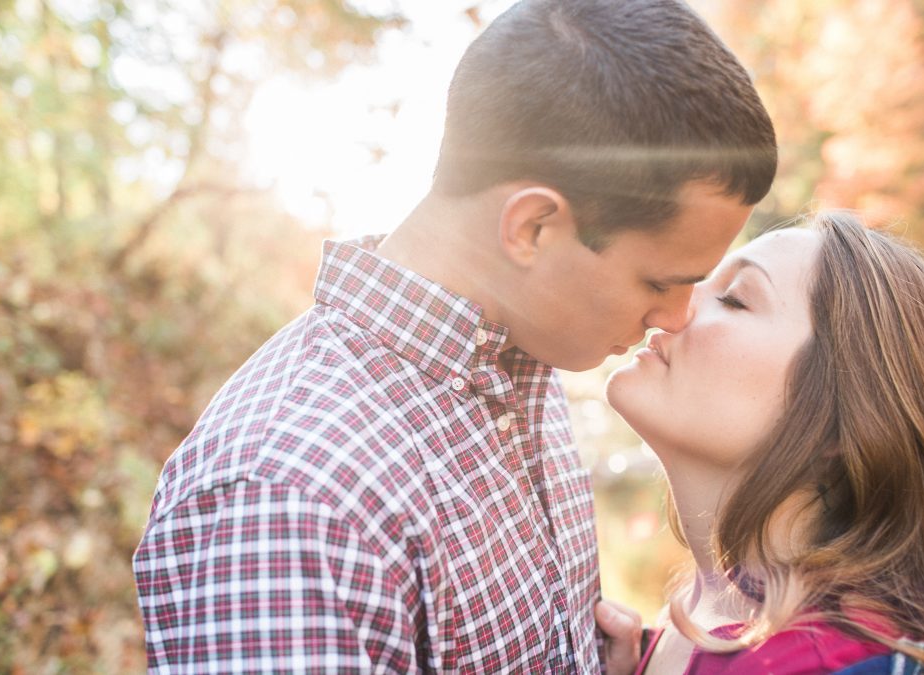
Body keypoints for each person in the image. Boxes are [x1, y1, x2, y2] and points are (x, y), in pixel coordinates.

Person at [132, 0, 777, 671]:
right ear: (531, 228)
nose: (676, 317)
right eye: (657, 282)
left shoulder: (522, 363)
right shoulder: (298, 496)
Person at [598, 212, 924, 674]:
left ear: (841, 420)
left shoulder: (839, 664)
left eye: (735, 300)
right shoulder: (713, 616)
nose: (677, 300)